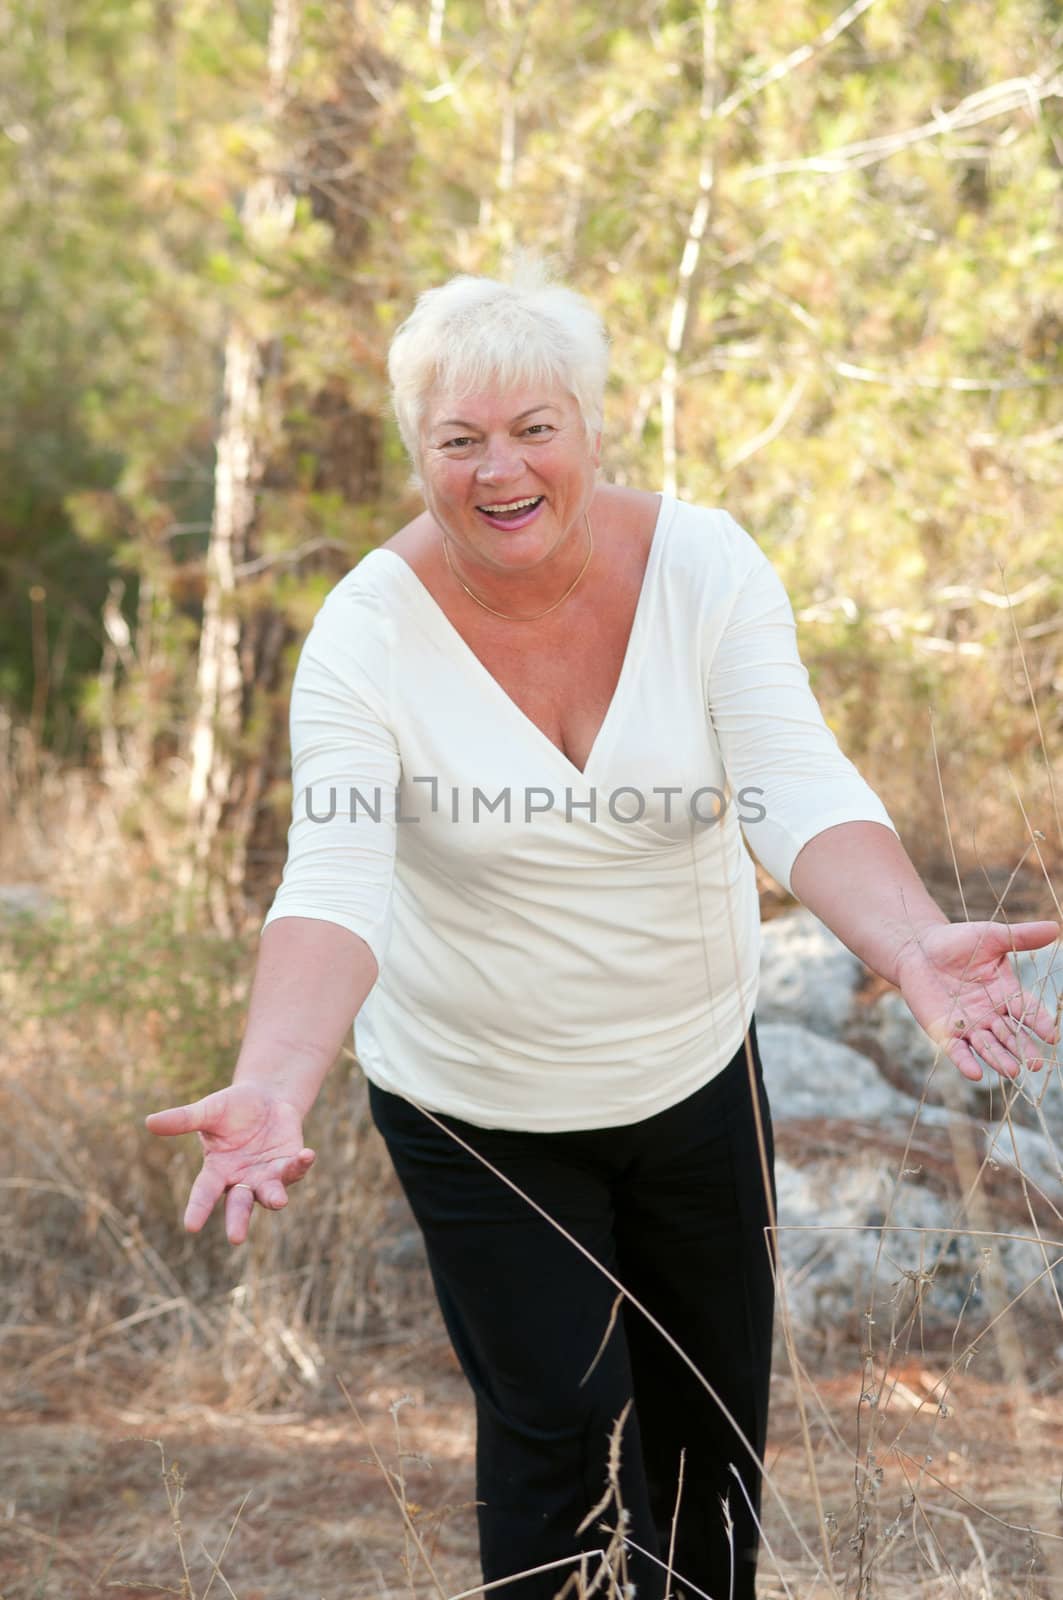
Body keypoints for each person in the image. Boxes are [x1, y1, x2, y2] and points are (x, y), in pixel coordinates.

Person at [147, 261, 1059, 1600]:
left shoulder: (704, 569)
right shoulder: (364, 639)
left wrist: (910, 942)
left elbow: (795, 785)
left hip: (689, 1077)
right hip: (476, 1109)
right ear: (419, 451)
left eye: (534, 430)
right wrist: (277, 1082)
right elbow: (335, 878)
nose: (499, 469)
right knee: (561, 1434)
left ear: (589, 426)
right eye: (459, 440)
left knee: (708, 1447)